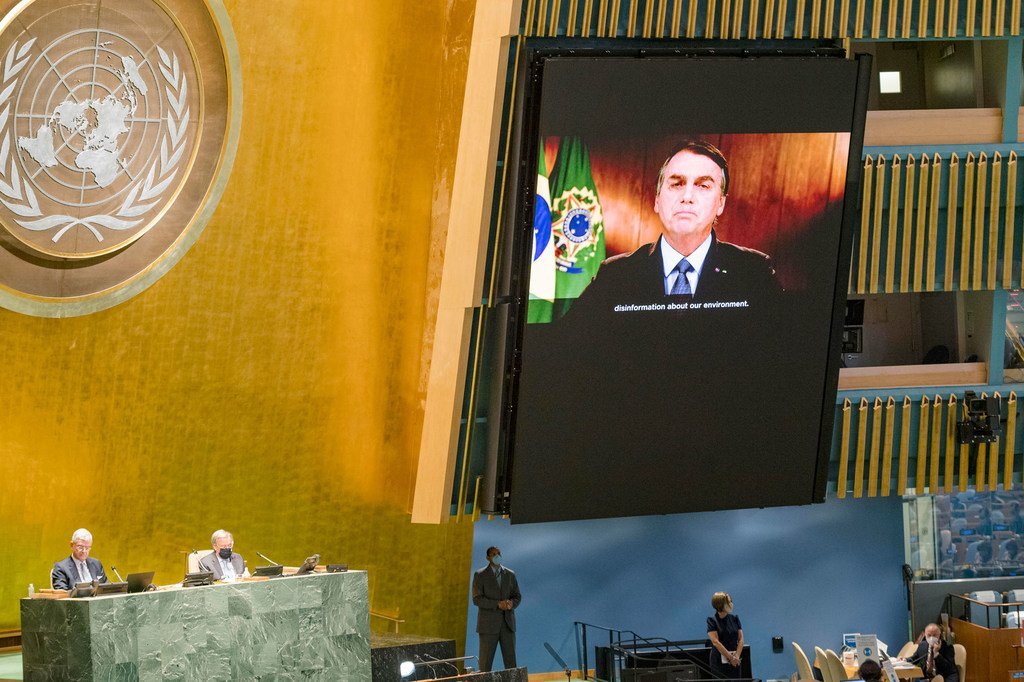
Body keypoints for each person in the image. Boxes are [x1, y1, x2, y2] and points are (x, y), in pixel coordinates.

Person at [570, 139, 782, 315]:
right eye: (676, 183)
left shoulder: (754, 272)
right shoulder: (615, 274)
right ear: (656, 200)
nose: (687, 197)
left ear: (720, 203)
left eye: (703, 185)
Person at [472, 546, 521, 672]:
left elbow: (517, 596)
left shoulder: (510, 574)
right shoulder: (480, 575)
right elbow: (477, 599)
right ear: (488, 557)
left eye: (499, 553)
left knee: (511, 664)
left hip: (508, 625)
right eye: (494, 554)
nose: (497, 556)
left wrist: (511, 604)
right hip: (488, 626)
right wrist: (497, 604)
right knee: (485, 664)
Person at [706, 591, 744, 678]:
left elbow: (741, 639)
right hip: (719, 659)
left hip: (735, 658)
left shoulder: (734, 618)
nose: (731, 604)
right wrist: (730, 658)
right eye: (728, 602)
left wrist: (736, 656)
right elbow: (715, 642)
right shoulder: (712, 621)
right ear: (720, 604)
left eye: (731, 601)